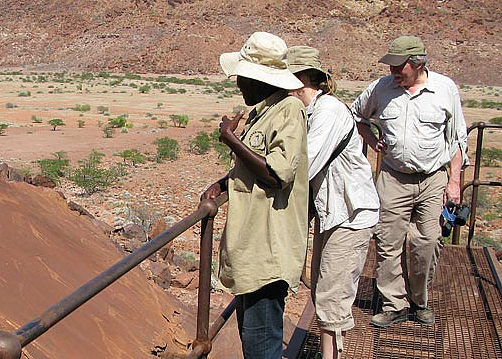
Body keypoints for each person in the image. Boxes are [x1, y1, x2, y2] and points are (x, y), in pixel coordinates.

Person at [201, 31, 308, 359]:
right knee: (254, 342)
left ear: (262, 78)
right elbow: (255, 167)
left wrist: (231, 139)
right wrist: (225, 181)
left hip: (268, 254)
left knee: (262, 347)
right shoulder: (266, 111)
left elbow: (276, 174)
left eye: (243, 77)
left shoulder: (289, 110)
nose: (239, 85)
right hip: (254, 251)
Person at [350, 35, 469, 328]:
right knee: (388, 242)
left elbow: (457, 140)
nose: (392, 71)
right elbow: (356, 116)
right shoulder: (381, 88)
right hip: (393, 177)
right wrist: (371, 138)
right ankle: (394, 304)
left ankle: (419, 301)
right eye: (390, 66)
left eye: (398, 66)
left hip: (432, 179)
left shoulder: (444, 89)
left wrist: (454, 183)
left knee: (425, 241)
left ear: (417, 64)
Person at [286, 46, 379, 358]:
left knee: (331, 297)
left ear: (299, 79)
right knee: (324, 291)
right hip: (333, 212)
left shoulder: (329, 113)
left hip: (349, 215)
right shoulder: (313, 111)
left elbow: (304, 166)